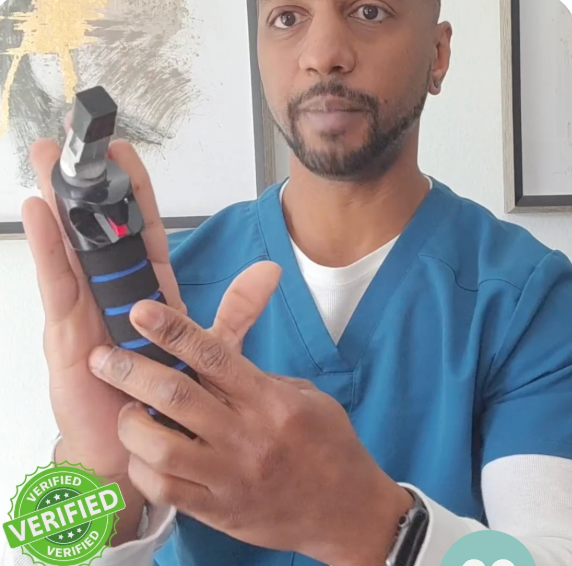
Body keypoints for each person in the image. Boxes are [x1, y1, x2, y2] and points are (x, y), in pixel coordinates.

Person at [3, 0, 572, 564]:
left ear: (438, 54)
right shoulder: (154, 299)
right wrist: (99, 467)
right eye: (288, 18)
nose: (323, 54)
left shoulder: (530, 299)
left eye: (369, 12)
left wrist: (361, 521)